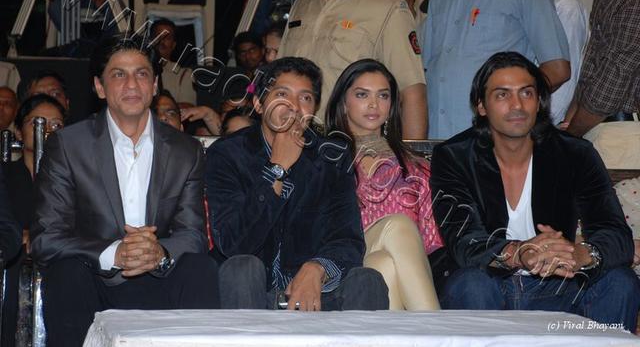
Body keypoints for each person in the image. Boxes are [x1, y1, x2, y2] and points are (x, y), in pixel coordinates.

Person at [30, 34, 220, 347]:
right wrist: (114, 253)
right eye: (119, 74)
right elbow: (46, 238)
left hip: (160, 276)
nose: (132, 85)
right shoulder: (68, 146)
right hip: (93, 277)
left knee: (200, 268)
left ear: (155, 85)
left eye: (141, 74)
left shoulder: (185, 150)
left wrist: (160, 252)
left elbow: (193, 235)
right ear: (99, 87)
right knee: (66, 272)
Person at [430, 51, 640, 332]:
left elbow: (614, 232)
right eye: (502, 95)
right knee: (471, 283)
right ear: (481, 106)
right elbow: (464, 240)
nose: (517, 105)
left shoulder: (575, 153)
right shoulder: (454, 156)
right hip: (489, 283)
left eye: (526, 93)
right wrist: (520, 252)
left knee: (620, 282)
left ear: (539, 101)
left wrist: (581, 254)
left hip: (559, 285)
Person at [207, 57, 388, 311]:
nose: (294, 106)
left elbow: (348, 240)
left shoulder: (332, 157)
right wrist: (277, 169)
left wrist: (318, 267)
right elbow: (234, 243)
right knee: (242, 267)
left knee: (367, 280)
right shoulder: (227, 154)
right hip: (250, 290)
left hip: (312, 291)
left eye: (305, 98)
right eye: (282, 94)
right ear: (259, 103)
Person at [278, 0, 427, 139]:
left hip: (353, 151)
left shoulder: (388, 7)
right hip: (294, 144)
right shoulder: (303, 3)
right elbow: (279, 77)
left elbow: (411, 92)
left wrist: (412, 158)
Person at [421, 0, 570, 139]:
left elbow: (557, 69)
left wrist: (511, 104)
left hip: (493, 141)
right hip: (438, 140)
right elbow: (428, 68)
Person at [325, 59, 441, 310]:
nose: (373, 104)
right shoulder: (325, 159)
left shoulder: (417, 167)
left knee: (383, 264)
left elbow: (429, 242)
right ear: (343, 102)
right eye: (362, 94)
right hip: (338, 266)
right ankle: (433, 325)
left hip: (393, 268)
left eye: (383, 95)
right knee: (398, 225)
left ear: (392, 105)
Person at [565, 0, 640, 136]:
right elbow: (593, 61)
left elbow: (613, 81)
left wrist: (571, 136)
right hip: (596, 124)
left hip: (624, 133)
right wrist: (570, 118)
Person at [2, 94, 66, 347]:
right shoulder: (5, 175)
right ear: (19, 131)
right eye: (37, 122)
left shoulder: (76, 179)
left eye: (56, 124)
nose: (47, 130)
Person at [150, 18, 197, 106]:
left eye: (167, 38)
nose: (162, 41)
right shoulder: (139, 70)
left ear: (173, 45)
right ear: (150, 41)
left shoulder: (184, 74)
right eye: (158, 36)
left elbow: (187, 107)